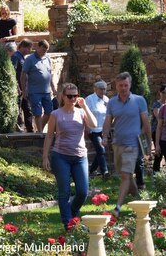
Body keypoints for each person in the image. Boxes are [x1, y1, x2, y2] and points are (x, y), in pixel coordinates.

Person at [42, 83, 97, 230]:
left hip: (80, 157)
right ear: (63, 97)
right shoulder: (56, 114)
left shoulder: (81, 112)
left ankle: (71, 212)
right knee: (64, 192)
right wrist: (45, 157)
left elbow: (94, 124)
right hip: (60, 157)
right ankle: (68, 223)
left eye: (75, 95)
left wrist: (85, 107)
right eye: (70, 96)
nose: (73, 98)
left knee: (83, 192)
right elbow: (49, 137)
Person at [102, 72, 152, 217]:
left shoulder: (139, 100)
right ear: (116, 86)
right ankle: (139, 201)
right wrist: (104, 136)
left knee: (125, 175)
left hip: (133, 144)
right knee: (127, 176)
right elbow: (107, 121)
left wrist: (149, 144)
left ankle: (117, 207)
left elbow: (146, 124)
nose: (123, 88)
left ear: (130, 85)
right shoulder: (112, 102)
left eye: (126, 85)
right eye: (120, 85)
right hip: (117, 143)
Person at [21, 39, 57, 133]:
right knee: (37, 113)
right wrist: (24, 90)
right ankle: (40, 132)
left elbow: (49, 74)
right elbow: (23, 74)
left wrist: (53, 87)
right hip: (34, 91)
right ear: (38, 47)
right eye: (43, 49)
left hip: (46, 91)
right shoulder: (30, 59)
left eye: (46, 50)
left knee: (49, 112)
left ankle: (39, 130)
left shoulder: (47, 58)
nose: (44, 52)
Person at [85, 80, 109, 178]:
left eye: (104, 89)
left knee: (100, 151)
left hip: (103, 129)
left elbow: (109, 115)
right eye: (101, 89)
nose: (103, 91)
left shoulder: (107, 99)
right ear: (95, 89)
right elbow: (85, 113)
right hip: (93, 129)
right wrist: (86, 128)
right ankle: (105, 172)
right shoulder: (90, 99)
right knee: (101, 149)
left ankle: (92, 170)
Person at [11, 39, 34, 133]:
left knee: (28, 109)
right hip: (19, 89)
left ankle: (30, 130)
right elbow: (13, 72)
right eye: (29, 48)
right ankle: (19, 129)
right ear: (23, 47)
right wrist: (17, 87)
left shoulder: (22, 58)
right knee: (19, 109)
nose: (29, 51)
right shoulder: (16, 57)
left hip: (24, 89)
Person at [151, 84, 166, 173]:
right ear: (160, 93)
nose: (165, 94)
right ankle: (156, 172)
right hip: (157, 131)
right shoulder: (156, 104)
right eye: (163, 92)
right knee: (159, 153)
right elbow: (158, 117)